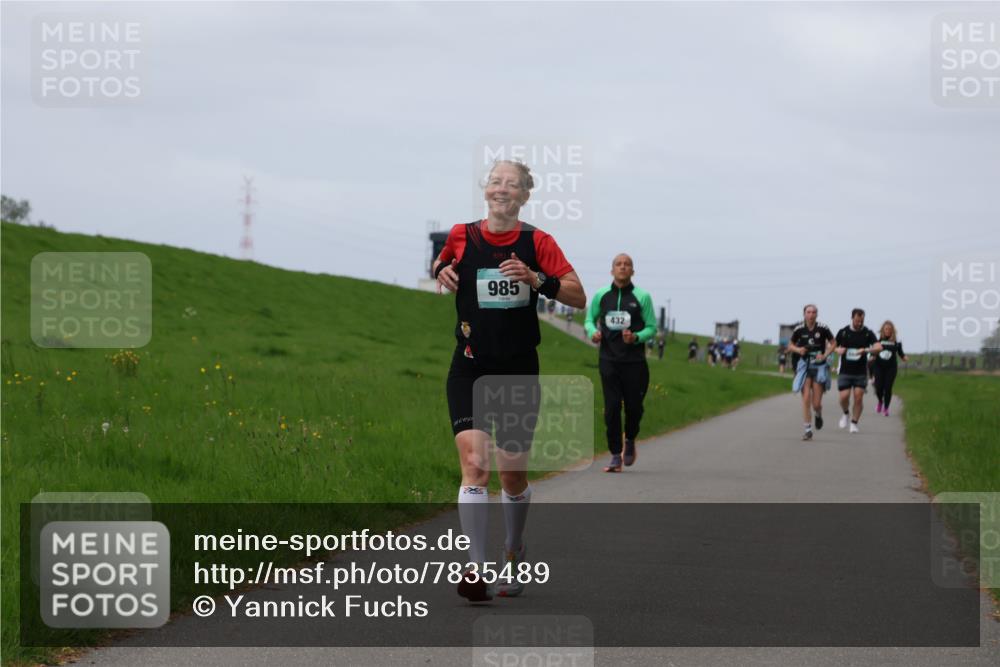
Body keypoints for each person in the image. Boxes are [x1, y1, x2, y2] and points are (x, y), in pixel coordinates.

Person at [433, 159, 586, 602]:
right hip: (470, 365)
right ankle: (476, 569)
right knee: (475, 465)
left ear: (524, 195)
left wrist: (538, 279)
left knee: (511, 478)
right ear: (486, 189)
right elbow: (443, 263)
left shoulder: (539, 241)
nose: (502, 189)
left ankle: (514, 552)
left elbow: (577, 294)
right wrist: (440, 270)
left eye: (512, 184)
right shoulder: (463, 234)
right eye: (496, 181)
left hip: (518, 370)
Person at [584, 253, 657, 472]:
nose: (623, 267)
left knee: (634, 408)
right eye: (619, 264)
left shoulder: (642, 296)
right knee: (612, 408)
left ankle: (630, 439)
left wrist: (636, 337)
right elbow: (589, 319)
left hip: (634, 362)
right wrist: (592, 333)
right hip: (609, 360)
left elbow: (652, 328)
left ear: (632, 271)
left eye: (627, 265)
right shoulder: (601, 295)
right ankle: (615, 455)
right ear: (612, 270)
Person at [787, 304, 835, 441]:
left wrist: (825, 355)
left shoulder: (823, 328)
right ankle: (808, 430)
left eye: (814, 312)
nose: (811, 314)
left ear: (817, 314)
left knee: (816, 404)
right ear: (804, 314)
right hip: (805, 366)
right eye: (808, 312)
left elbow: (834, 343)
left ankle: (818, 414)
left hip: (819, 366)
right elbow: (790, 345)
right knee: (806, 398)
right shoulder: (799, 329)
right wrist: (798, 350)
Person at [834, 308, 882, 434]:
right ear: (852, 318)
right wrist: (837, 350)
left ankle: (854, 423)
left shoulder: (867, 333)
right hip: (845, 370)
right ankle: (845, 413)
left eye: (861, 321)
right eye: (857, 321)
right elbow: (831, 345)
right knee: (844, 397)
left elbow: (879, 347)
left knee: (858, 397)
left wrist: (866, 350)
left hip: (860, 372)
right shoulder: (843, 332)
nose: (859, 323)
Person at [872, 320, 907, 417]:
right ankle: (880, 401)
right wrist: (871, 356)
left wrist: (904, 357)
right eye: (886, 329)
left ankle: (886, 408)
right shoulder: (878, 341)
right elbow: (872, 352)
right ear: (883, 330)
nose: (888, 331)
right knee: (878, 387)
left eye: (890, 329)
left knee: (888, 388)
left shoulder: (896, 343)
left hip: (891, 368)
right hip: (878, 367)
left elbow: (901, 354)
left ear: (893, 331)